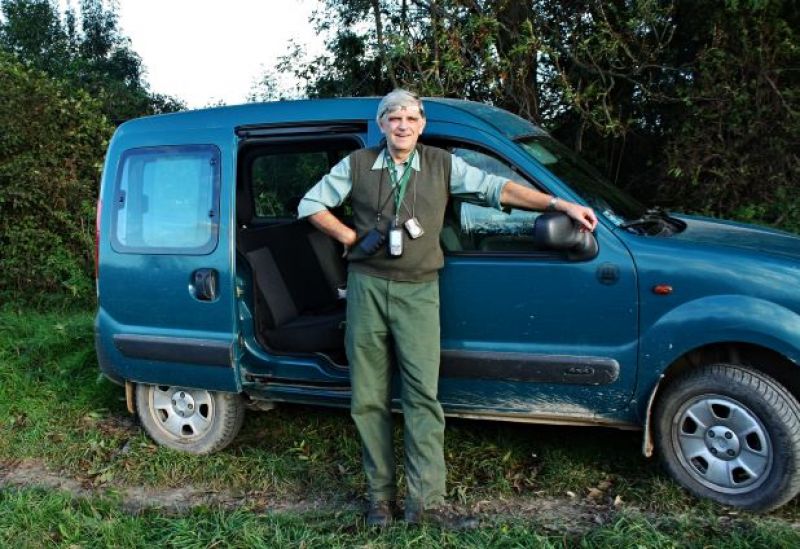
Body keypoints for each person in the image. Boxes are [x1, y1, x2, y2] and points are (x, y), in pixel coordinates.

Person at [298, 89, 597, 528]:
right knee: (368, 399)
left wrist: (560, 203)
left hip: (419, 292)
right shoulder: (358, 164)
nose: (402, 125)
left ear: (421, 124)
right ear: (381, 125)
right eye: (394, 117)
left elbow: (498, 189)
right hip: (367, 288)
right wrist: (348, 238)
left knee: (423, 397)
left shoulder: (441, 164)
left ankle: (426, 505)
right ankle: (379, 500)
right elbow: (309, 204)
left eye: (411, 118)